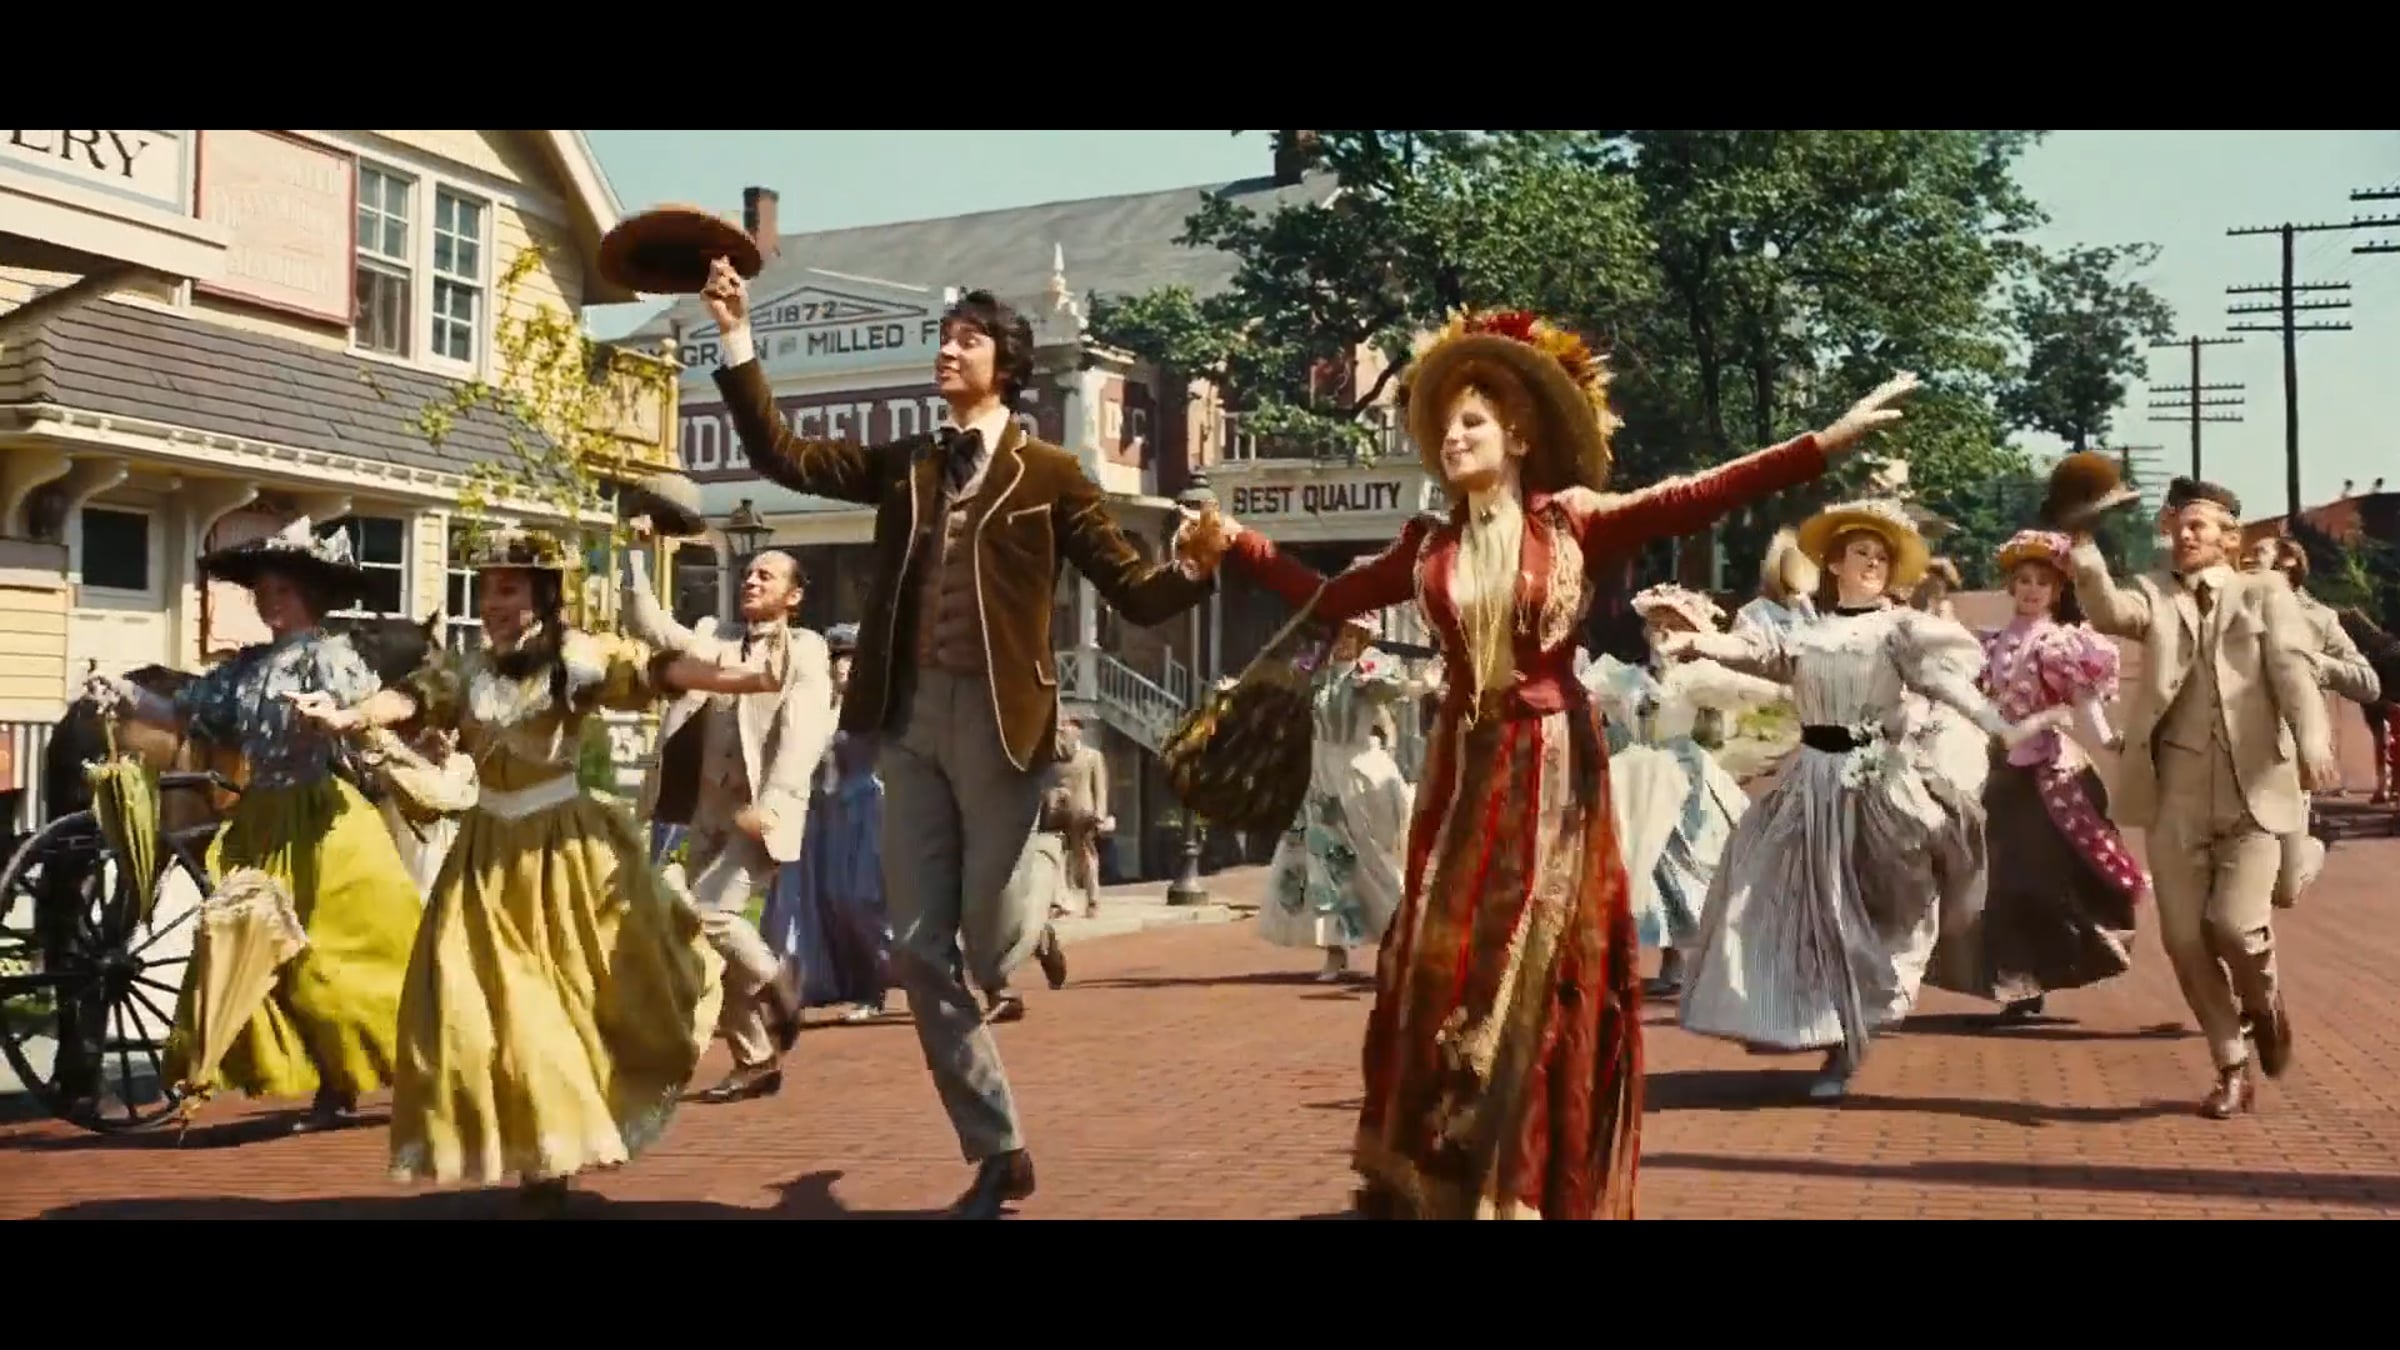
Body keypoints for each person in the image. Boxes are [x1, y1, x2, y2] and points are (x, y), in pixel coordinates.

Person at [1181, 308, 1921, 1218]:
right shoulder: (1428, 546)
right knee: (1441, 969)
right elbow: (1331, 598)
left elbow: (1695, 496)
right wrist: (1239, 545)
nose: (1453, 438)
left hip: (1551, 769)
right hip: (1460, 775)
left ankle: (1523, 1181)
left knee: (1531, 973)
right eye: (1444, 425)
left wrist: (1821, 445)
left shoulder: (1573, 523)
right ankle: (1442, 1172)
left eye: (1473, 422)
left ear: (1520, 437)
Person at [700, 259, 1215, 1219]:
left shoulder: (1051, 475)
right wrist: (735, 332)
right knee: (919, 949)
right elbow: (783, 455)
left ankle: (1041, 878)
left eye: (967, 340)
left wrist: (1191, 567)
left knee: (989, 938)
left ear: (1006, 366)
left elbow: (1134, 590)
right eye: (943, 339)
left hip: (1001, 722)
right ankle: (997, 1148)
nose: (947, 350)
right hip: (908, 720)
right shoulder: (909, 464)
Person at [287, 526, 778, 1209]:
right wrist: (346, 717)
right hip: (485, 855)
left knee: (558, 1006)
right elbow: (410, 699)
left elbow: (658, 672)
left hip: (562, 853)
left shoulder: (577, 658)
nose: (493, 602)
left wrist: (744, 678)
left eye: (509, 589)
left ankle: (550, 1161)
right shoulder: (467, 670)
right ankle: (524, 1145)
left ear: (544, 595)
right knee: (465, 1001)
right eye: (488, 589)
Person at [1664, 499, 2061, 1101]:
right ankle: (1804, 1018)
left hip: (1873, 787)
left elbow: (1945, 683)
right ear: (1835, 564)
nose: (1873, 564)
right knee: (1777, 899)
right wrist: (1698, 642)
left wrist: (2001, 726)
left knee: (1867, 916)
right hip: (1810, 781)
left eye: (1881, 557)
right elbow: (1759, 655)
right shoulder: (1808, 631)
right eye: (1861, 554)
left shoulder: (1897, 629)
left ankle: (1850, 1040)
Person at [85, 517, 422, 1133]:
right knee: (247, 946)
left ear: (310, 595)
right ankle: (310, 1074)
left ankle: (353, 1080)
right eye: (262, 591)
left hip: (322, 822)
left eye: (281, 590)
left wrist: (338, 717)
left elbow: (375, 708)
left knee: (330, 957)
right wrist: (128, 696)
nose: (269, 601)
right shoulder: (246, 669)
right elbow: (185, 713)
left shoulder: (328, 656)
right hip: (259, 820)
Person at [2064, 479, 2337, 1118]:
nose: (2186, 536)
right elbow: (2108, 612)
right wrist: (2083, 545)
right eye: (2180, 526)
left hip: (2254, 795)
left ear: (2230, 539)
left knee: (2236, 927)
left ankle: (2264, 1003)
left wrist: (2313, 738)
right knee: (2185, 941)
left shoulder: (2264, 594)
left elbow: (2293, 671)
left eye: (2200, 527)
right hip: (2175, 799)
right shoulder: (2154, 593)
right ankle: (2231, 1065)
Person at [621, 520, 836, 1104]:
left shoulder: (806, 649)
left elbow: (804, 733)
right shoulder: (713, 639)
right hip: (706, 810)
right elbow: (650, 627)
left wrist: (774, 804)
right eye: (748, 573)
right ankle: (755, 1059)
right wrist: (638, 554)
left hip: (757, 813)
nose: (752, 580)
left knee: (713, 914)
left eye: (767, 575)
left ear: (794, 596)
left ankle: (777, 982)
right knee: (704, 932)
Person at [1925, 529, 2146, 1018]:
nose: (2031, 590)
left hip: (2050, 773)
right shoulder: (1992, 643)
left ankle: (2055, 964)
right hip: (1999, 771)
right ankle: (2015, 980)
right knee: (1994, 878)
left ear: (2057, 591)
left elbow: (2084, 699)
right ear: (2011, 586)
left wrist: (2108, 738)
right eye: (2023, 580)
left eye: (2042, 583)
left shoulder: (2060, 644)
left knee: (2046, 877)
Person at [1584, 583, 1787, 1000]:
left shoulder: (1696, 677)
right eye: (1656, 622)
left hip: (1682, 777)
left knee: (1688, 864)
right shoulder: (1624, 677)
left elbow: (1754, 692)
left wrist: (1803, 692)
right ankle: (1643, 958)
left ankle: (1697, 958)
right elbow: (1578, 693)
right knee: (1641, 867)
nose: (1662, 631)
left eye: (1673, 624)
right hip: (1633, 780)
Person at [1259, 623, 1424, 982]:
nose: (1343, 643)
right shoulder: (1316, 678)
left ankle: (1401, 936)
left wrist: (1424, 682)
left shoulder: (1368, 675)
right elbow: (1278, 694)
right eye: (1338, 635)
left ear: (1362, 642)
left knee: (1371, 860)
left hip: (1358, 774)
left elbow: (1401, 690)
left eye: (1351, 637)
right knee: (1323, 861)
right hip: (1322, 777)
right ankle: (1335, 950)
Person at [762, 624, 894, 1024]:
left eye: (853, 659)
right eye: (839, 658)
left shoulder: (872, 709)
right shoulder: (815, 705)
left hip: (865, 810)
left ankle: (901, 977)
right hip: (822, 816)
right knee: (822, 903)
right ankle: (845, 985)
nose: (845, 667)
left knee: (863, 900)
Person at [2240, 534, 2381, 907]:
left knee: (2284, 891)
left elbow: (2369, 684)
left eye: (2258, 553)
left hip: (2288, 763)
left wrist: (2318, 664)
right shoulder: (2230, 608)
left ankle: (2316, 844)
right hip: (2233, 757)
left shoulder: (2320, 618)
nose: (2247, 560)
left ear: (2287, 564)